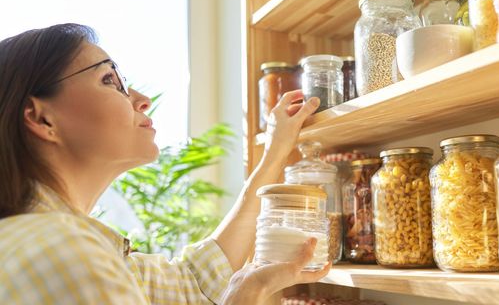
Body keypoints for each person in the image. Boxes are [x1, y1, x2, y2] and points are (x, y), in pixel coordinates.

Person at [0, 23, 329, 304]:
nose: (142, 99)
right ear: (42, 118)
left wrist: (276, 149)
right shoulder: (62, 253)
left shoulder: (63, 245)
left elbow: (195, 281)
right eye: (109, 80)